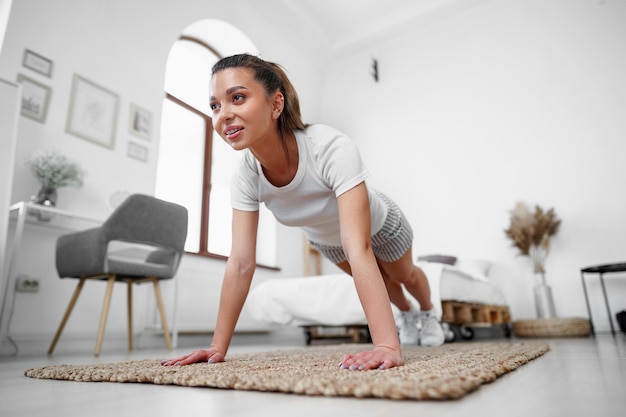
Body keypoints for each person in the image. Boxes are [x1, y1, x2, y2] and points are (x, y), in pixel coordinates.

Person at [161, 53, 444, 371]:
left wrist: (386, 347)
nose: (223, 115)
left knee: (402, 275)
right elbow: (241, 263)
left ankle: (429, 310)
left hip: (381, 225)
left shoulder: (329, 148)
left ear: (276, 105)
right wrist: (216, 347)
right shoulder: (246, 177)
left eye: (237, 98)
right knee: (386, 284)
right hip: (330, 240)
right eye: (215, 105)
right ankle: (407, 314)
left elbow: (359, 246)